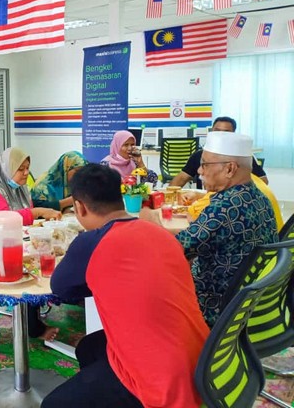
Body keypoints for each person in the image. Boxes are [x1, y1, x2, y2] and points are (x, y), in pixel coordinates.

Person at [42, 164, 209, 408]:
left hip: (162, 382)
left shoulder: (91, 242)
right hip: (202, 359)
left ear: (79, 207)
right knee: (89, 347)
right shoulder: (161, 233)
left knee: (52, 405)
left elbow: (61, 289)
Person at [140, 131, 278, 327]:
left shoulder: (223, 208)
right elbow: (199, 236)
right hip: (251, 303)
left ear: (230, 169)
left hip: (215, 307)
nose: (199, 171)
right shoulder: (258, 197)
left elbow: (172, 251)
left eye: (205, 164)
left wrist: (151, 219)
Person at [0, 147, 61, 340]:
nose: (26, 173)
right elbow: (7, 220)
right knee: (29, 268)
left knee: (43, 254)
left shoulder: (19, 188)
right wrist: (38, 212)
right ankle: (32, 326)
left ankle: (32, 317)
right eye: (21, 169)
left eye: (28, 168)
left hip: (9, 243)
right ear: (6, 168)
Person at [170, 116, 268, 189]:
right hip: (202, 201)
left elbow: (263, 181)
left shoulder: (243, 158)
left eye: (226, 132)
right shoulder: (199, 155)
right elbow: (181, 178)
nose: (220, 135)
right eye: (217, 131)